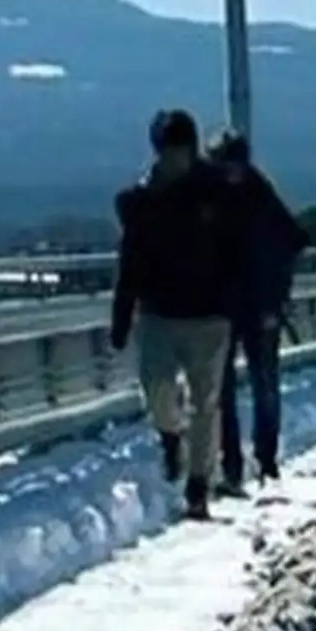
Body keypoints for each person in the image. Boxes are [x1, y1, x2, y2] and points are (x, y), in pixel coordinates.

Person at [108, 105, 237, 521]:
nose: (173, 158)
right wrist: (121, 316)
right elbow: (129, 261)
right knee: (157, 387)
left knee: (206, 402)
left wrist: (249, 299)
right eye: (168, 151)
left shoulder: (218, 192)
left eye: (179, 150)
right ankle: (169, 435)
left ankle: (199, 484)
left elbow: (242, 251)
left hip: (211, 313)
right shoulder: (141, 200)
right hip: (158, 312)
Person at [207, 128, 307, 489]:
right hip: (221, 307)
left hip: (259, 304)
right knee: (223, 389)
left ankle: (266, 458)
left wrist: (277, 294)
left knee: (263, 382)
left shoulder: (259, 195)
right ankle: (231, 464)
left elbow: (293, 240)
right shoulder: (212, 195)